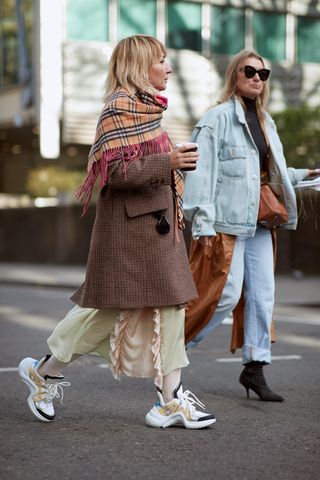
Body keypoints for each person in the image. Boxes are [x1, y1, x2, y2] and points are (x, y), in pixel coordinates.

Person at [18, 35, 215, 429]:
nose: (169, 68)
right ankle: (45, 370)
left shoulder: (149, 110)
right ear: (141, 65)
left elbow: (144, 163)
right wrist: (169, 160)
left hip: (158, 229)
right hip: (129, 233)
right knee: (107, 313)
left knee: (171, 307)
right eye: (162, 60)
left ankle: (170, 399)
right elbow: (116, 174)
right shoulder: (118, 108)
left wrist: (171, 163)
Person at [183, 49, 318, 402]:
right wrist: (203, 222)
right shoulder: (217, 119)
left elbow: (265, 175)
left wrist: (304, 175)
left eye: (263, 73)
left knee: (263, 296)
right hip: (226, 221)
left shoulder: (266, 122)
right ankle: (172, 351)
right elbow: (200, 172)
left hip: (259, 220)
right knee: (224, 296)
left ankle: (255, 369)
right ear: (234, 75)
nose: (257, 77)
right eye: (250, 71)